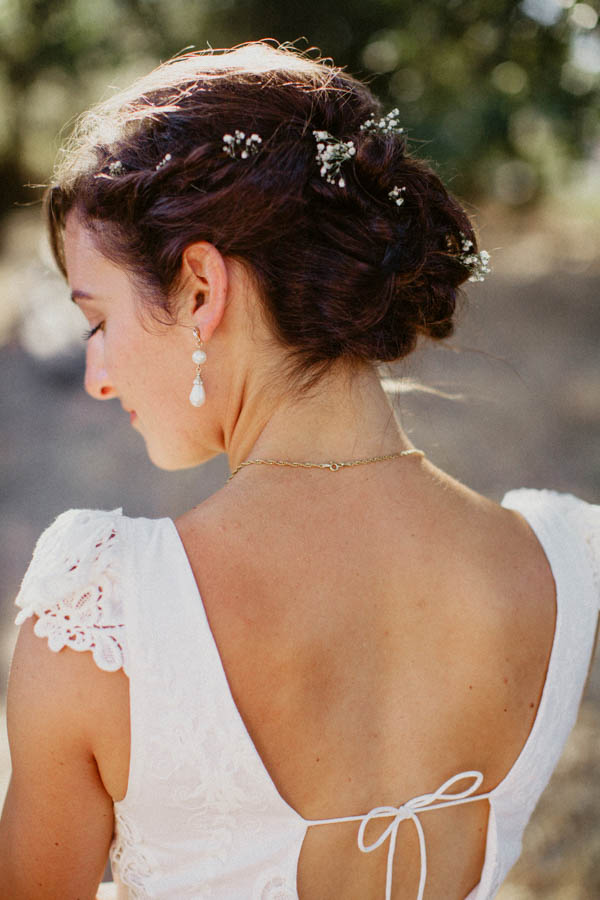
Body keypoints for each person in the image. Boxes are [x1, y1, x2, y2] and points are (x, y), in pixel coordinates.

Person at [0, 41, 598, 900]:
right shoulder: (564, 565)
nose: (96, 375)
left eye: (98, 319)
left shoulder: (99, 618)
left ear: (201, 288)